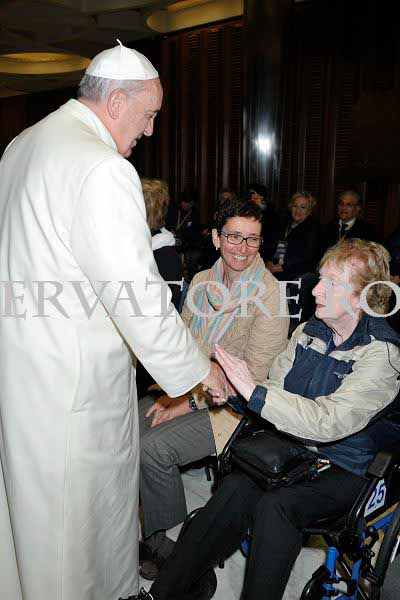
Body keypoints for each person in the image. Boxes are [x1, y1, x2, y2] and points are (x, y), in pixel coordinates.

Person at [0, 42, 228, 600]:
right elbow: (138, 297)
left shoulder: (21, 145)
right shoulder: (102, 166)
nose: (150, 130)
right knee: (72, 529)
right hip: (73, 384)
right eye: (149, 115)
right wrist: (197, 371)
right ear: (118, 101)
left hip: (22, 366)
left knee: (26, 511)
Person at [147, 239, 400, 600]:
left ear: (362, 297)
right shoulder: (309, 332)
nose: (315, 290)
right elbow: (274, 390)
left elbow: (329, 421)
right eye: (320, 279)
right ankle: (167, 591)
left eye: (331, 283)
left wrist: (255, 393)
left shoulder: (383, 355)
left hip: (350, 466)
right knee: (237, 486)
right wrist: (234, 394)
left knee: (277, 506)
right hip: (297, 450)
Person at [138, 199, 289, 581]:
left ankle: (170, 546)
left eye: (252, 239)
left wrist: (185, 402)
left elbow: (251, 378)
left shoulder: (269, 295)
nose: (243, 247)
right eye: (234, 236)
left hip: (238, 410)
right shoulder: (204, 280)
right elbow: (182, 342)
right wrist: (179, 391)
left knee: (153, 447)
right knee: (130, 422)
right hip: (194, 387)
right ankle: (137, 520)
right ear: (217, 239)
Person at [266, 191, 320, 329]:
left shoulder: (313, 228)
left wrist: (282, 267)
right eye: (295, 206)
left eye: (303, 207)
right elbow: (271, 246)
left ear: (309, 210)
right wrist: (269, 261)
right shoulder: (284, 224)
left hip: (297, 272)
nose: (298, 210)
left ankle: (287, 327)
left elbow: (307, 256)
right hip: (276, 269)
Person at [321, 190, 377, 256]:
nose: (343, 208)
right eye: (341, 203)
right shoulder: (328, 226)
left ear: (358, 208)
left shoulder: (367, 230)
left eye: (348, 205)